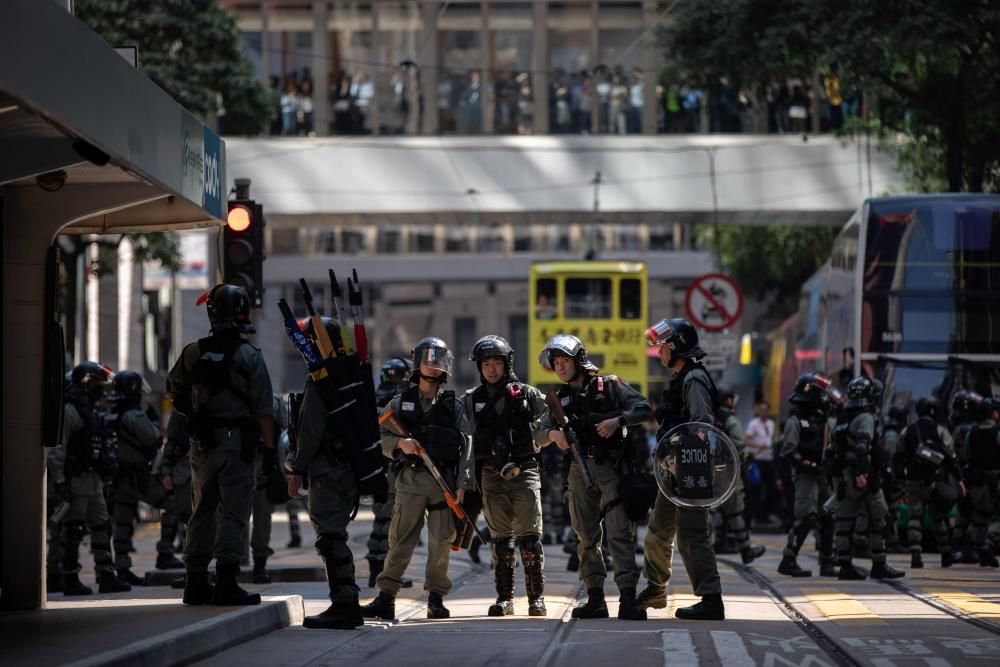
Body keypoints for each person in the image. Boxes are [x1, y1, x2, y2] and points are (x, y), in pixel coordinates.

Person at [167, 283, 275, 606]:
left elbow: (174, 392)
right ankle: (226, 582)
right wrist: (269, 453)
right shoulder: (249, 356)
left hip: (202, 446)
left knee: (202, 510)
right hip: (237, 447)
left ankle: (195, 583)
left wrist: (197, 415)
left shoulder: (192, 352)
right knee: (233, 512)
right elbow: (264, 413)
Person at [537, 334, 651, 620]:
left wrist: (617, 421)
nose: (560, 367)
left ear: (579, 361)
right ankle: (596, 598)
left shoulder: (610, 385)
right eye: (556, 363)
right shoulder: (559, 400)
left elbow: (644, 409)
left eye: (565, 361)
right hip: (577, 470)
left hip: (611, 469)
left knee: (619, 534)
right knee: (585, 537)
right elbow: (535, 433)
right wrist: (553, 434)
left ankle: (627, 598)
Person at [362, 338, 474, 621]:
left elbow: (466, 446)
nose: (433, 366)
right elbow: (381, 436)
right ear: (418, 364)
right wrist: (401, 445)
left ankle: (435, 599)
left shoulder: (453, 406)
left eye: (438, 361)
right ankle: (386, 597)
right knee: (400, 540)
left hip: (443, 485)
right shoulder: (400, 403)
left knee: (440, 543)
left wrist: (462, 482)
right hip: (411, 482)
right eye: (428, 360)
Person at [638, 318, 725, 621]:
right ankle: (656, 589)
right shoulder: (680, 378)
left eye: (662, 345)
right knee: (657, 533)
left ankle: (712, 600)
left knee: (692, 535)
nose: (658, 351)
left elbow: (701, 425)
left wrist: (679, 445)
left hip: (692, 467)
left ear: (676, 347)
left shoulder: (694, 379)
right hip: (675, 469)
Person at [285, 316, 365, 629]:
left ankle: (345, 605)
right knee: (335, 536)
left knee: (331, 538)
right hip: (346, 471)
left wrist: (297, 468)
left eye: (307, 341)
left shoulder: (322, 379)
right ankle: (347, 603)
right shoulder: (347, 373)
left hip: (327, 472)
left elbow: (311, 429)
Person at [464, 335, 551, 617]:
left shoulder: (527, 394)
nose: (491, 369)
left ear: (506, 364)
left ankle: (536, 599)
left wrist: (543, 437)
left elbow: (551, 418)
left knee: (529, 539)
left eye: (496, 363)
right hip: (490, 474)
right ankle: (505, 598)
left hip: (524, 469)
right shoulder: (471, 400)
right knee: (501, 541)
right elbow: (459, 434)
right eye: (486, 364)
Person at [50, 362, 131, 595]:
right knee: (72, 529)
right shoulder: (70, 412)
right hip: (76, 480)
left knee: (102, 526)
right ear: (85, 384)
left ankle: (106, 574)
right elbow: (58, 450)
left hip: (93, 481)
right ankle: (69, 577)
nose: (100, 390)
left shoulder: (90, 411)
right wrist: (60, 482)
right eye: (97, 384)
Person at [831, 377, 904, 580]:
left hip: (844, 479)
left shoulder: (842, 419)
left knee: (844, 523)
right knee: (879, 519)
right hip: (862, 476)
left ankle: (845, 566)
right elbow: (863, 447)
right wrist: (862, 473)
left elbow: (832, 451)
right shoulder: (865, 418)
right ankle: (879, 565)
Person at [108, 370, 169, 585]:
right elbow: (154, 439)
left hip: (119, 477)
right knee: (172, 503)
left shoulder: (112, 412)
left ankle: (121, 568)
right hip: (136, 476)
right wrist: (152, 420)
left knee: (121, 523)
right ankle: (167, 553)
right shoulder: (134, 415)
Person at [778, 373, 835, 577]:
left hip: (822, 475)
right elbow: (788, 451)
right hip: (805, 476)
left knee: (827, 516)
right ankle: (788, 559)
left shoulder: (823, 420)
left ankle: (827, 562)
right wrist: (807, 465)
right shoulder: (796, 421)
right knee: (806, 517)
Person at [366, 356, 415, 588]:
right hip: (391, 467)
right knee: (392, 521)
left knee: (381, 518)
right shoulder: (395, 402)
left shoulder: (373, 400)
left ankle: (377, 570)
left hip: (377, 468)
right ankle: (385, 572)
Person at [900, 397, 958, 568]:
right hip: (935, 481)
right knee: (939, 518)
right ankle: (946, 553)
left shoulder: (907, 431)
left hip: (913, 481)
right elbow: (951, 455)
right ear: (933, 410)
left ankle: (915, 554)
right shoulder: (940, 430)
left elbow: (898, 454)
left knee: (914, 518)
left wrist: (899, 477)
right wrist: (957, 478)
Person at [714, 383, 765, 564]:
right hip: (728, 473)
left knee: (712, 511)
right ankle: (745, 550)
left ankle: (713, 544)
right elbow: (740, 445)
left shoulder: (708, 418)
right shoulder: (730, 420)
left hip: (709, 472)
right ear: (727, 400)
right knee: (735, 511)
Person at [965, 398, 1000, 567]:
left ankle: (980, 550)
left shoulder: (971, 433)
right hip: (996, 480)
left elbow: (966, 455)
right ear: (994, 413)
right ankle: (989, 543)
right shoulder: (998, 432)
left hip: (977, 481)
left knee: (979, 517)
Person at [949, 391, 982, 563]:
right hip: (969, 476)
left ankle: (957, 547)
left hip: (961, 475)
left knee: (963, 513)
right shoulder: (969, 429)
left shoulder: (956, 427)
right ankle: (967, 549)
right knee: (972, 514)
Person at [156, 411, 191, 571]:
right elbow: (171, 442)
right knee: (174, 511)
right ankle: (166, 553)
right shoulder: (180, 411)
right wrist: (166, 471)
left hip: (202, 466)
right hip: (183, 468)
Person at [746, 400, 779, 526]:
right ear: (758, 411)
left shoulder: (771, 423)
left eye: (766, 409)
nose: (764, 412)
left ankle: (766, 514)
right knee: (757, 489)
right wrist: (760, 445)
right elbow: (747, 440)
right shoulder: (753, 424)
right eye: (762, 409)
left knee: (771, 488)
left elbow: (771, 440)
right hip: (758, 459)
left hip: (769, 460)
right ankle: (757, 516)